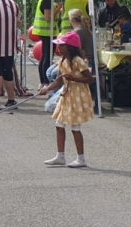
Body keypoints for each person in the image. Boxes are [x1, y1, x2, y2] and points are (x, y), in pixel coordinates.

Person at [38, 32, 93, 168]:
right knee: (59, 124)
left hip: (77, 96)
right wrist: (48, 88)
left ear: (70, 47)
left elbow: (90, 78)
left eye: (61, 46)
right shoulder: (62, 61)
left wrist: (73, 78)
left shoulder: (77, 61)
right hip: (66, 95)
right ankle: (60, 156)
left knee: (75, 127)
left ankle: (81, 158)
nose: (59, 48)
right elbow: (59, 80)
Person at [32, 0, 56, 85]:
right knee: (47, 57)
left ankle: (43, 81)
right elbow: (48, 18)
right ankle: (46, 81)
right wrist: (57, 10)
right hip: (47, 32)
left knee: (45, 56)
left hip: (44, 31)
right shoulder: (47, 1)